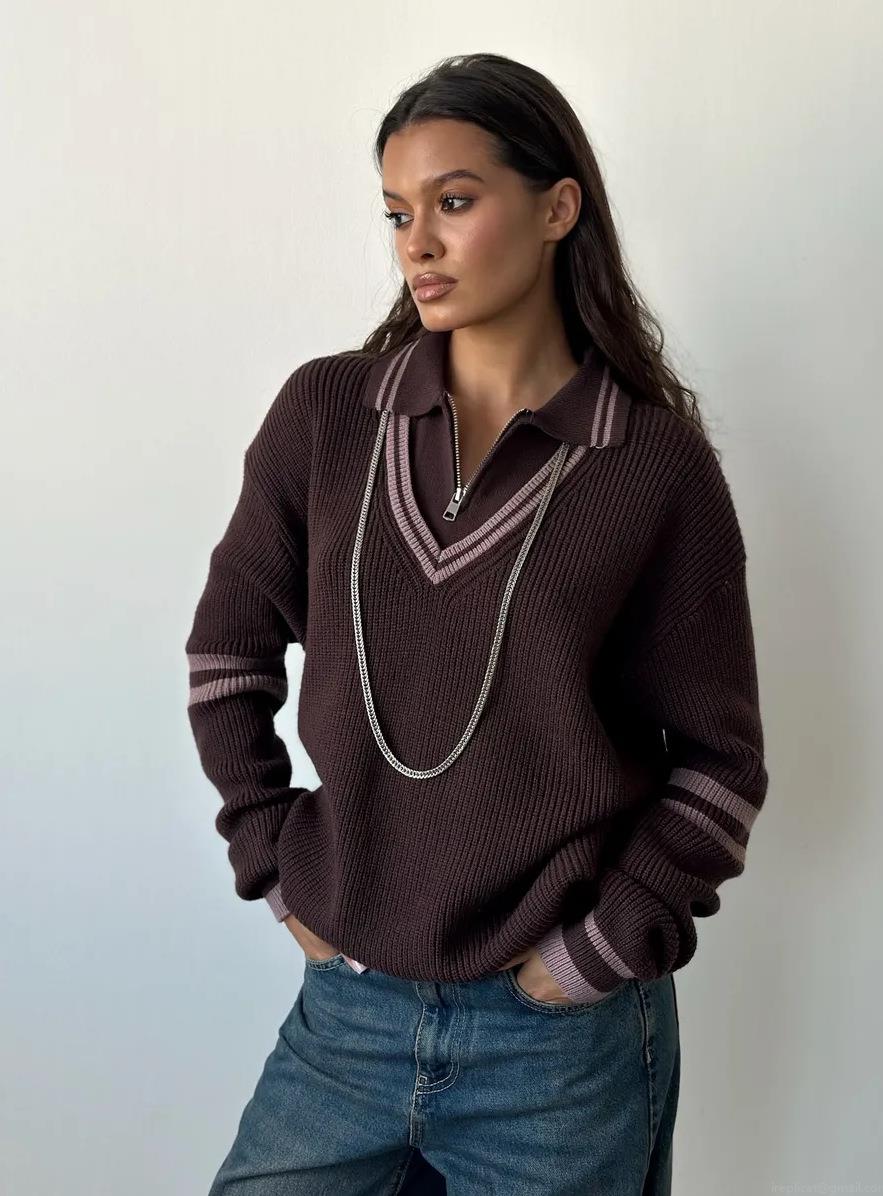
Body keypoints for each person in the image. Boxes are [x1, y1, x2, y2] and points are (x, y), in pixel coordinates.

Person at [185, 51, 768, 1195]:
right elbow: (226, 655)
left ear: (558, 208)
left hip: (558, 1043)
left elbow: (720, 761)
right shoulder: (326, 417)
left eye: (454, 201)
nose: (418, 243)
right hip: (349, 1013)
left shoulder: (651, 466)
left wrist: (597, 948)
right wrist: (272, 854)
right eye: (398, 212)